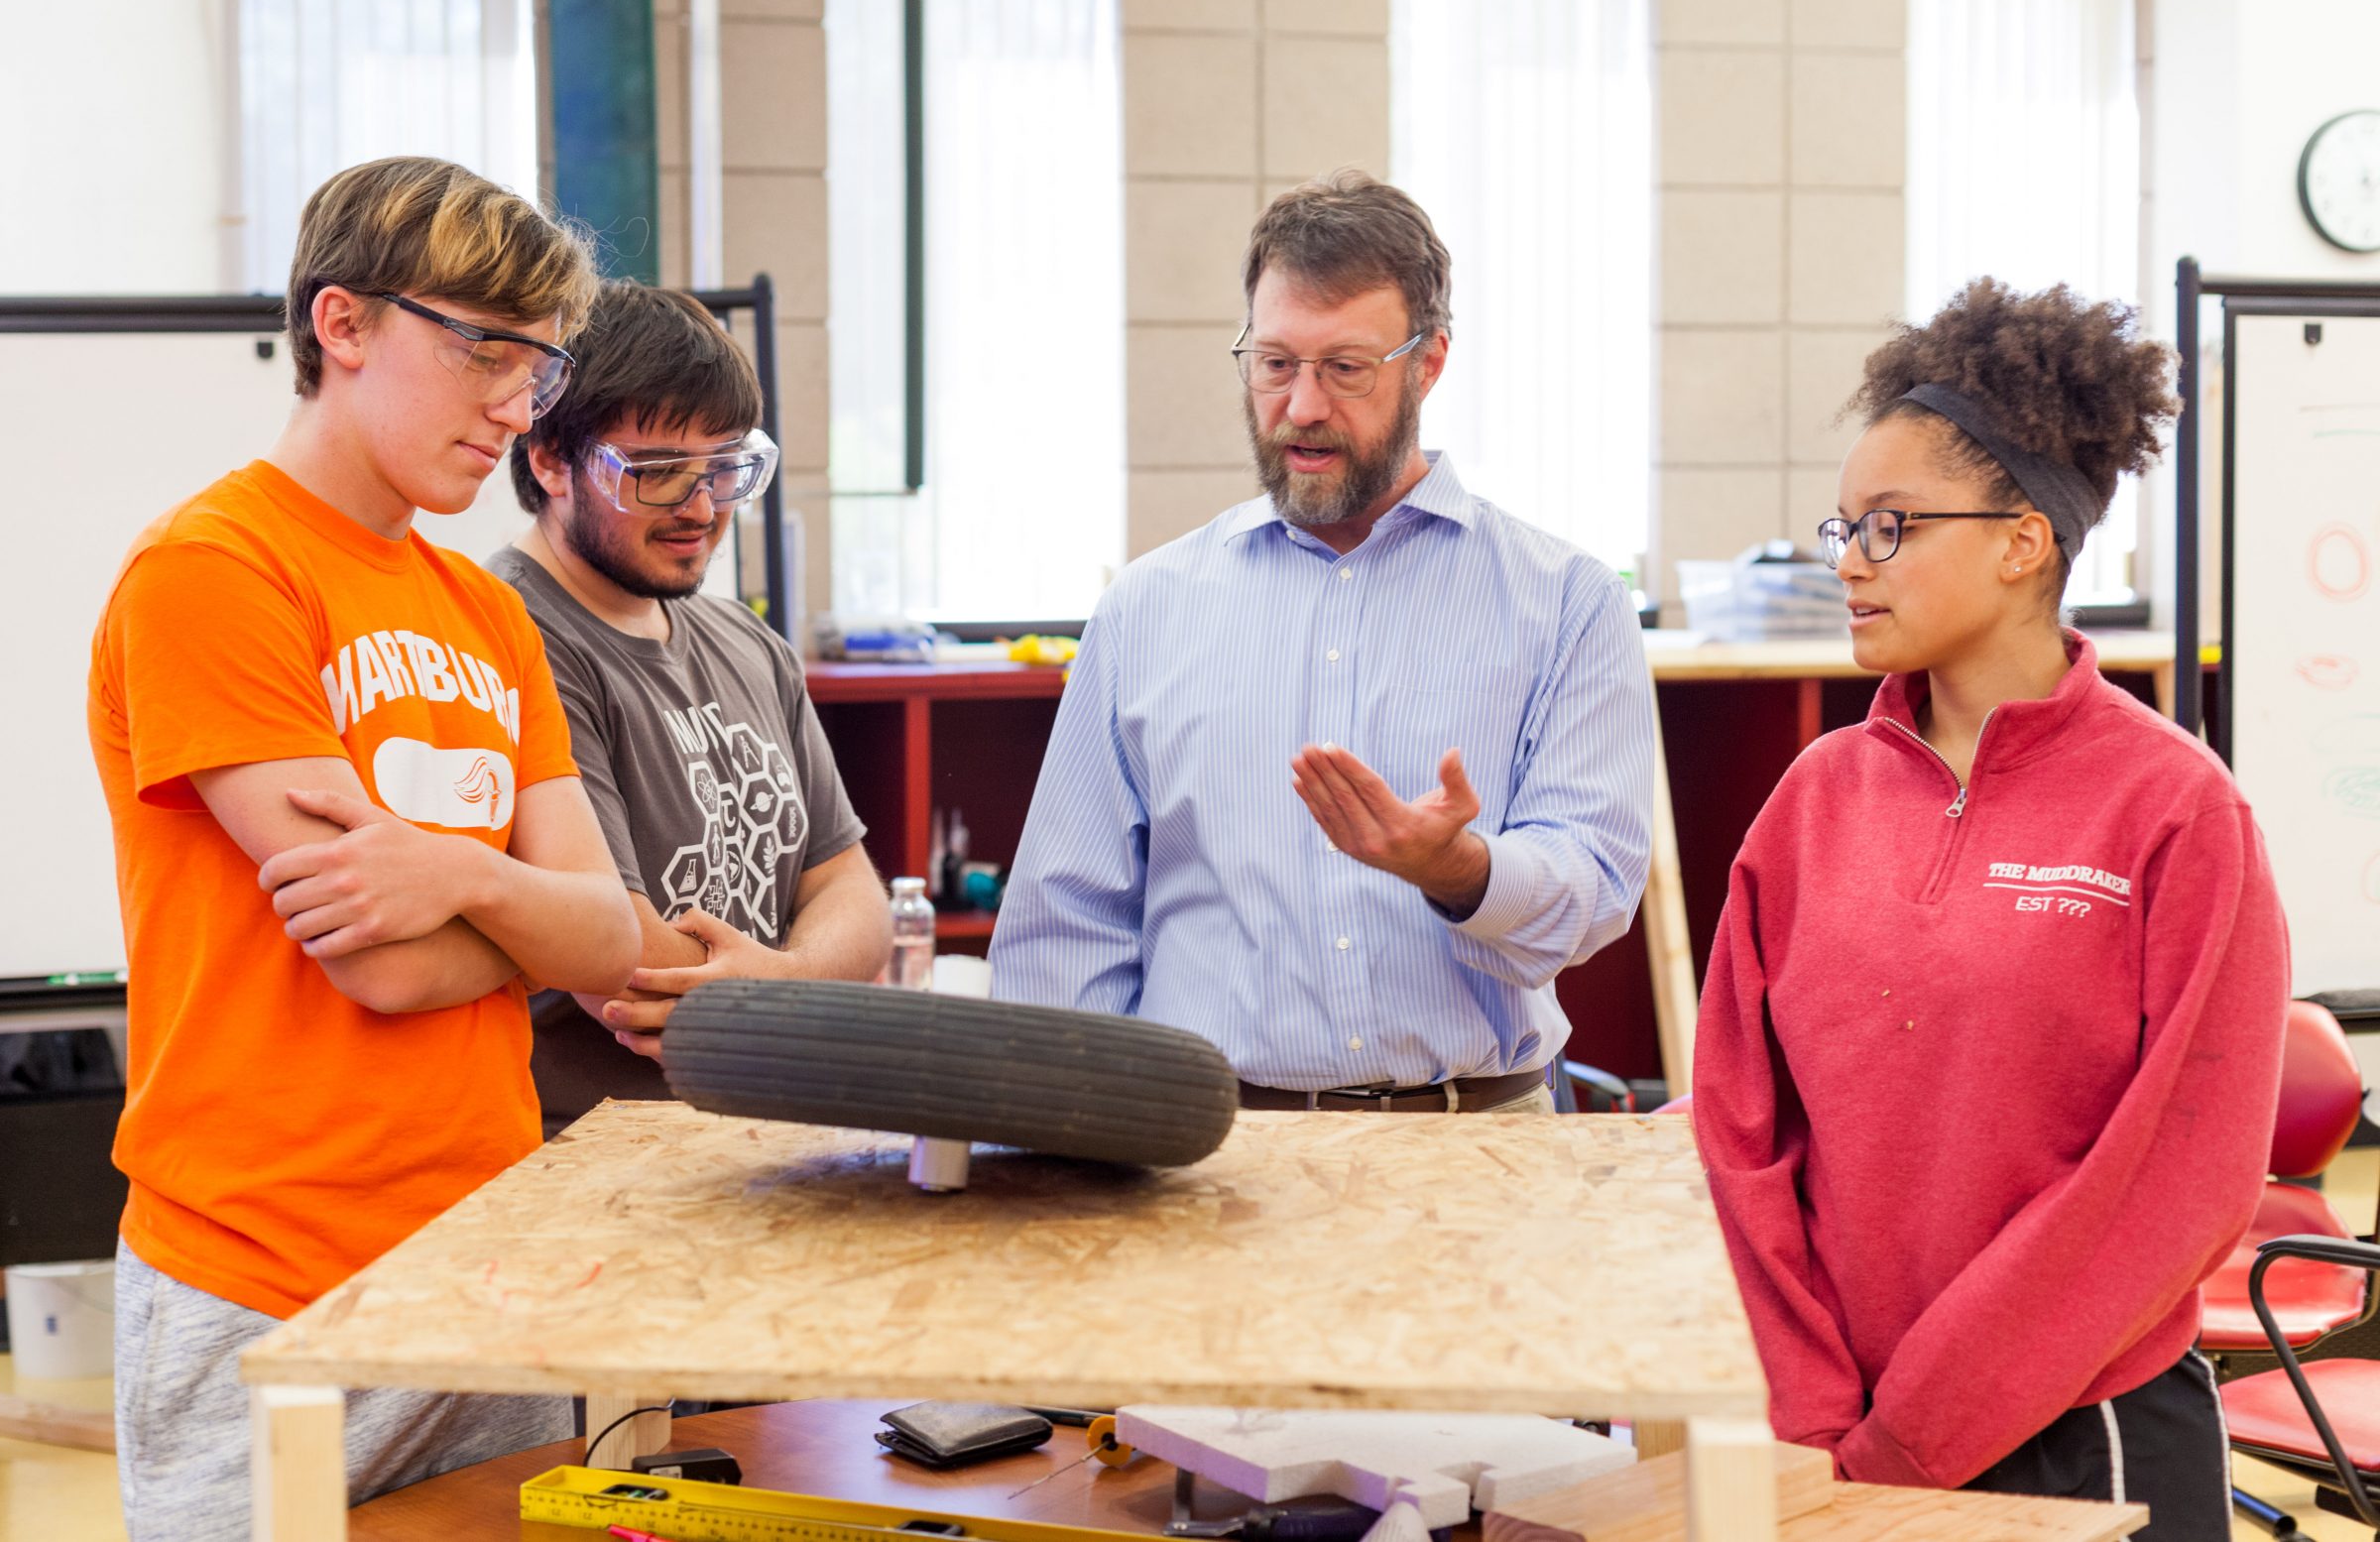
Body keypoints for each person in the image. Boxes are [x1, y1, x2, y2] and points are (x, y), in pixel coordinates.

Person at [89, 156, 642, 1538]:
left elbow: (615, 935)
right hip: (263, 1275)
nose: (520, 403)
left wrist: (455, 871)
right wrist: (534, 919)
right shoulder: (214, 571)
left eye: (544, 366)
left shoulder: (488, 610)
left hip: (479, 1257)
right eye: (488, 351)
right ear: (343, 323)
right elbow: (382, 969)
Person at [1693, 279, 2286, 1534]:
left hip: (2090, 1438)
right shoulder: (1811, 803)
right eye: (1843, 526)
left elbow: (2177, 1180)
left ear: (2023, 542)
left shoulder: (2177, 811)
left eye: (1890, 527)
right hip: (1828, 1441)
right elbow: (1740, 1137)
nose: (1848, 561)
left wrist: (1919, 1430)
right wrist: (1814, 1417)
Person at [990, 170, 1654, 1112]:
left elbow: (1593, 891)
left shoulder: (1566, 602)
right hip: (1215, 1152)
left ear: (1427, 365)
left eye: (1346, 368)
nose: (1302, 406)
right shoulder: (1147, 608)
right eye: (1273, 363)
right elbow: (1067, 925)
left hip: (1480, 1154)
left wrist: (1459, 871)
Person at [487, 281, 887, 1133]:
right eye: (660, 474)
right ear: (549, 458)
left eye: (726, 468)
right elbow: (619, 967)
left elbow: (854, 892)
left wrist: (779, 982)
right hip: (588, 1161)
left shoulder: (747, 642)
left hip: (760, 1132)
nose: (703, 509)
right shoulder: (507, 634)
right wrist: (809, 985)